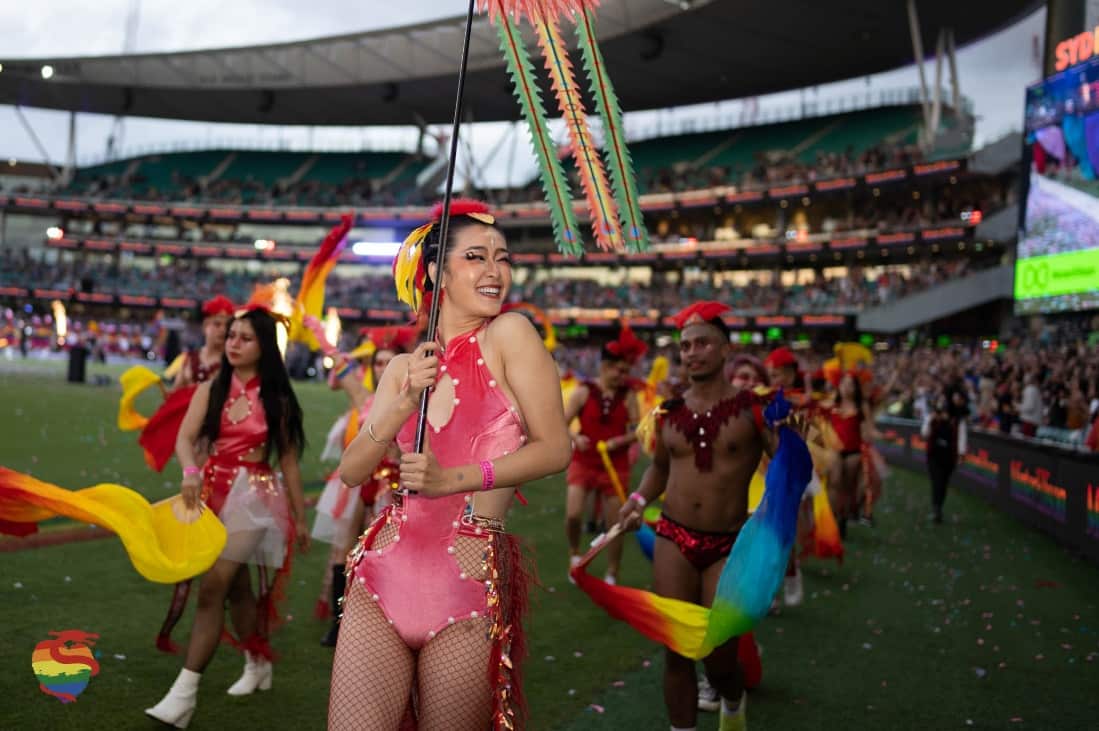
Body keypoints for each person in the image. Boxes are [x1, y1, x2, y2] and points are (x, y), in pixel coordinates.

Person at [328, 200, 571, 730]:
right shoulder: (402, 367)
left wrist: (452, 480)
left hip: (467, 580)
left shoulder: (509, 335)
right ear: (437, 271)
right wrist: (400, 400)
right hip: (381, 575)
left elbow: (555, 448)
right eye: (476, 257)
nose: (494, 271)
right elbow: (351, 471)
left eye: (503, 258)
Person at [145, 306, 309, 729]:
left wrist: (299, 517)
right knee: (235, 588)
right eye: (231, 335)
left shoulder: (278, 398)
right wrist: (191, 472)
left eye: (244, 338)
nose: (233, 343)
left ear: (264, 347)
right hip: (211, 492)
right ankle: (257, 661)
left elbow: (288, 461)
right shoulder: (210, 388)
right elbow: (185, 440)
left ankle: (183, 694)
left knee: (212, 585)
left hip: (256, 496)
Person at [619, 301, 768, 731]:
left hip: (728, 545)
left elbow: (789, 469)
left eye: (703, 343)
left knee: (720, 656)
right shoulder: (668, 411)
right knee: (677, 650)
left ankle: (733, 701)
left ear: (725, 350)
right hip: (673, 538)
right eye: (685, 346)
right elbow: (661, 469)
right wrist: (635, 500)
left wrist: (775, 518)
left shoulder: (755, 410)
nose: (692, 352)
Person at [313, 325, 414, 647]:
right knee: (343, 547)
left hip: (394, 485)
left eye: (389, 362)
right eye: (379, 363)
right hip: (361, 481)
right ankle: (338, 621)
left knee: (384, 554)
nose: (383, 368)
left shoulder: (417, 401)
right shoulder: (365, 398)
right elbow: (339, 367)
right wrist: (319, 333)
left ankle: (382, 618)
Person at [153, 295, 236, 655]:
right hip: (196, 465)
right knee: (191, 539)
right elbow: (177, 402)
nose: (221, 330)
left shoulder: (234, 365)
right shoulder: (191, 362)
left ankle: (222, 614)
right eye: (215, 323)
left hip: (226, 464)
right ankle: (173, 623)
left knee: (225, 548)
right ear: (204, 326)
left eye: (226, 323)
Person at [562, 324, 645, 584]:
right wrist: (577, 438)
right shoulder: (584, 391)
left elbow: (639, 431)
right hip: (584, 461)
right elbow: (561, 423)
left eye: (626, 371)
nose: (624, 375)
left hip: (615, 465)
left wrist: (620, 440)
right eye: (619, 370)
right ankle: (575, 554)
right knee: (574, 514)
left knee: (614, 524)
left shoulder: (628, 396)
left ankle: (612, 571)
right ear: (605, 366)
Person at [827, 372, 871, 538]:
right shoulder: (833, 402)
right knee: (835, 481)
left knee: (847, 487)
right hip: (834, 450)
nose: (847, 387)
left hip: (854, 451)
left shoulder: (861, 406)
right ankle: (831, 517)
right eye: (844, 383)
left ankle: (842, 518)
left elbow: (868, 428)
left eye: (850, 384)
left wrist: (874, 436)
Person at [922, 393, 967, 523]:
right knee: (937, 481)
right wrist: (931, 420)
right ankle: (936, 508)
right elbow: (924, 433)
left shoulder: (958, 421)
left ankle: (939, 507)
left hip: (949, 457)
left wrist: (961, 455)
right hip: (934, 456)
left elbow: (962, 438)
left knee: (943, 483)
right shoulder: (933, 418)